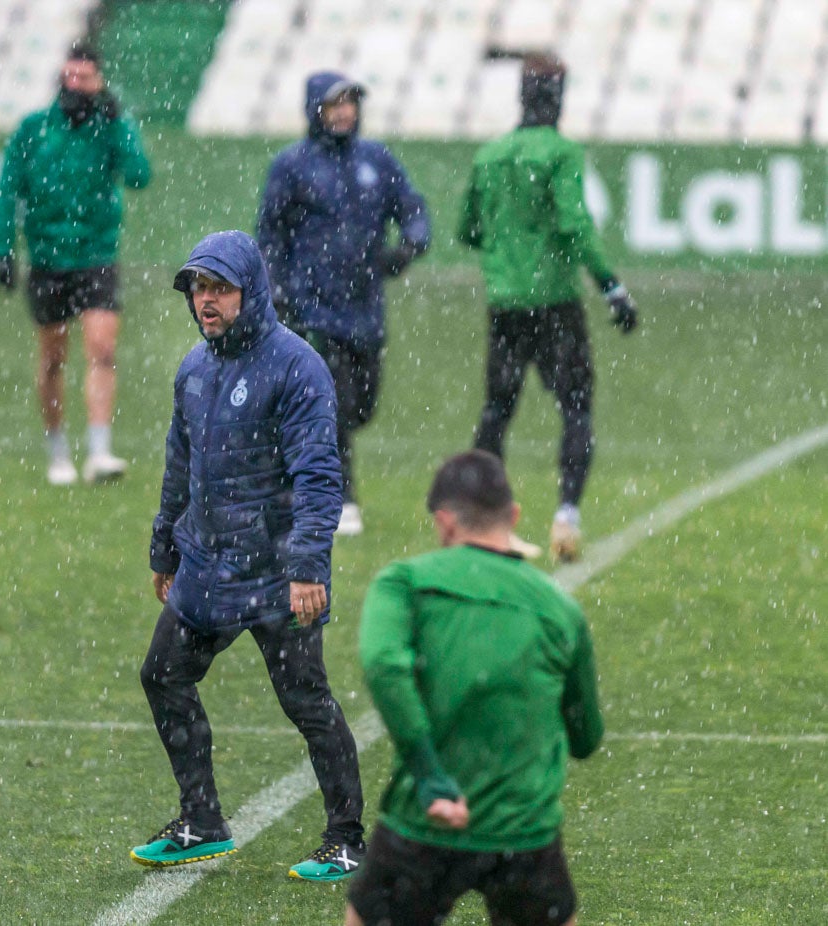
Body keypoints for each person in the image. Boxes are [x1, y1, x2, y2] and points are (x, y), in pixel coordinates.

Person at [132, 230, 365, 882]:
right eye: (198, 290)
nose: (206, 302)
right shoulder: (193, 371)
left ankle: (346, 839)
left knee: (305, 701)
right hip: (206, 567)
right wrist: (165, 547)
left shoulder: (296, 366)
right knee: (161, 675)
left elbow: (319, 476)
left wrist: (307, 567)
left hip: (273, 575)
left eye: (219, 288)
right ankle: (201, 821)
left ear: (250, 292)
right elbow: (180, 470)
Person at [348, 449, 604, 926]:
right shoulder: (559, 609)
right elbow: (587, 738)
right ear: (514, 516)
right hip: (523, 833)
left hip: (424, 822)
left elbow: (384, 664)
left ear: (445, 523)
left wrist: (430, 773)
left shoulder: (403, 583)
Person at [458, 53, 639, 563]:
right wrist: (612, 287)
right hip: (555, 303)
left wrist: (506, 250)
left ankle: (480, 521)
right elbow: (575, 226)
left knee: (497, 411)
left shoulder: (490, 155)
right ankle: (566, 515)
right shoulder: (561, 153)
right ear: (558, 97)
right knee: (577, 407)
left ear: (521, 94)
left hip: (506, 304)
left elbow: (466, 229)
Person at [258, 71, 431, 537]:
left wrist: (411, 245)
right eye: (334, 104)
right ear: (314, 109)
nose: (343, 112)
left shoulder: (376, 160)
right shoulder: (291, 166)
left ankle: (293, 466)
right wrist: (276, 291)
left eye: (350, 103)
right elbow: (270, 235)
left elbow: (412, 207)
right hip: (312, 308)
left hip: (365, 309)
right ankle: (342, 498)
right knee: (332, 405)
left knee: (362, 407)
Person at [0, 41, 152, 486]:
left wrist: (119, 125)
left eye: (85, 78)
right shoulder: (33, 129)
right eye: (70, 77)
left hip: (96, 254)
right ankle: (57, 448)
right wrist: (2, 249)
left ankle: (99, 451)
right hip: (47, 257)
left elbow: (139, 175)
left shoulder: (110, 127)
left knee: (102, 350)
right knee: (53, 359)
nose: (75, 85)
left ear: (99, 83)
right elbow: (8, 191)